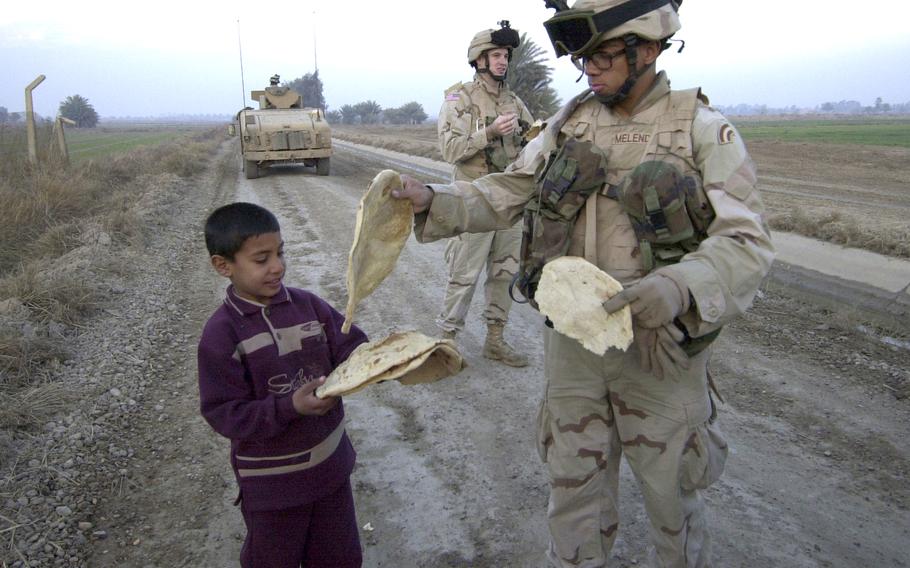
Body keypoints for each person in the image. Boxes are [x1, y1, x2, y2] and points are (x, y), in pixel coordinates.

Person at [392, 1, 775, 566]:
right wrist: (433, 198)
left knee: (672, 502)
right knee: (573, 494)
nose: (587, 69)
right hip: (574, 346)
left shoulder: (700, 128)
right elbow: (507, 190)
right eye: (581, 58)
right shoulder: (567, 124)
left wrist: (679, 287)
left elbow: (747, 241)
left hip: (659, 352)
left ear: (646, 50)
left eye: (601, 55)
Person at [197, 202, 367, 568]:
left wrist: (379, 361)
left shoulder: (310, 306)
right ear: (223, 266)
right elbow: (224, 413)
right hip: (274, 490)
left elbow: (352, 346)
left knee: (341, 558)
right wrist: (290, 406)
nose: (278, 266)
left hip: (331, 473)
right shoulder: (221, 334)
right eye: (262, 259)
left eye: (280, 253)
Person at [435, 20, 535, 367]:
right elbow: (450, 149)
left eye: (505, 55)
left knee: (504, 272)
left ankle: (495, 339)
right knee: (464, 273)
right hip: (474, 198)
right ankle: (446, 343)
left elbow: (532, 142)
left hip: (507, 199)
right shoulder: (458, 97)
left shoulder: (514, 101)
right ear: (479, 60)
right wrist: (489, 132)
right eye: (495, 54)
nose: (502, 61)